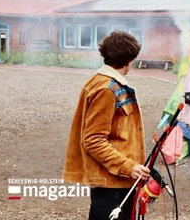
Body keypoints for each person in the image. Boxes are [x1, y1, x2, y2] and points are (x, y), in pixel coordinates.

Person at [63, 31, 148, 220]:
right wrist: (128, 167)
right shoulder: (106, 89)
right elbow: (93, 139)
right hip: (111, 184)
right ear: (129, 60)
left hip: (119, 181)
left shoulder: (106, 83)